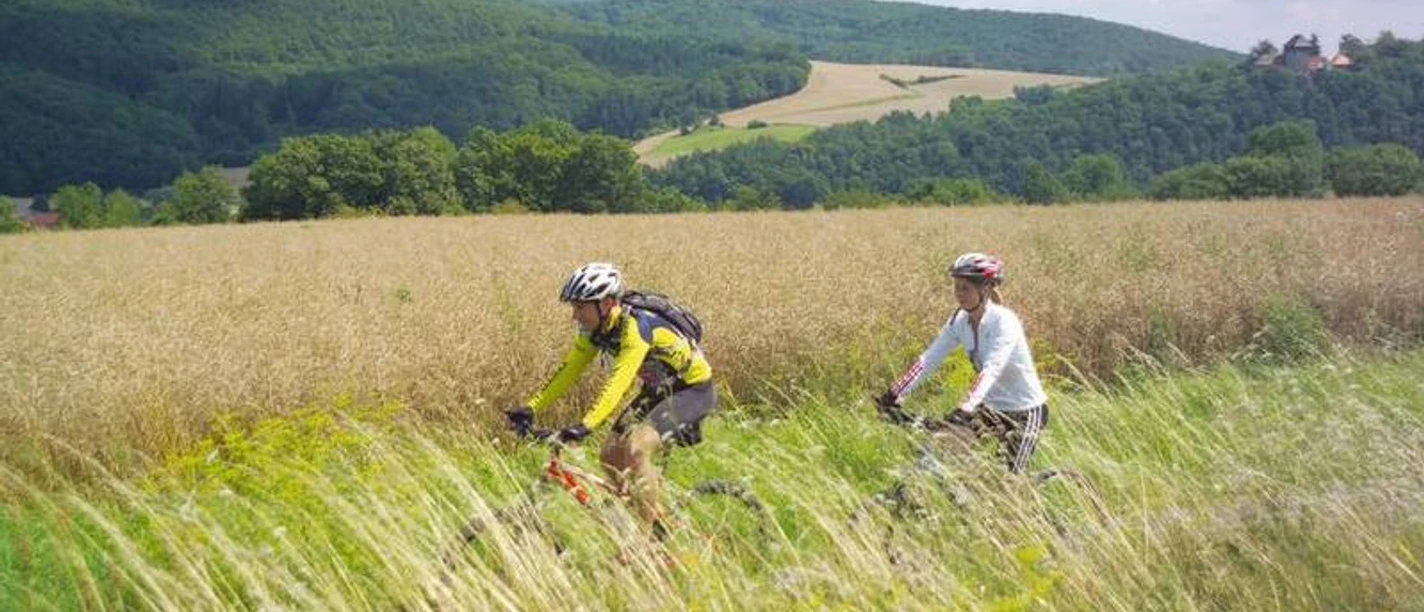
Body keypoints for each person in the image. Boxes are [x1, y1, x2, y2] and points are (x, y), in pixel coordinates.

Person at [505, 262, 715, 533]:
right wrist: (530, 408)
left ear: (604, 304)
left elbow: (620, 381)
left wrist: (586, 425)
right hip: (657, 391)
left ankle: (642, 538)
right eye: (574, 307)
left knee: (636, 448)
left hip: (693, 390)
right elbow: (569, 370)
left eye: (580, 307)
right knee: (608, 456)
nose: (575, 315)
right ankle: (657, 523)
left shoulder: (637, 328)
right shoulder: (595, 331)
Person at [875, 253, 1049, 473]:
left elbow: (991, 369)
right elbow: (929, 359)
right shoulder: (959, 321)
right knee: (946, 450)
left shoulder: (1004, 322)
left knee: (1009, 481)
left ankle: (1025, 502)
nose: (959, 294)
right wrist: (894, 393)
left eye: (965, 288)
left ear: (985, 289)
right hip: (991, 408)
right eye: (956, 287)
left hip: (1025, 411)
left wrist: (966, 406)